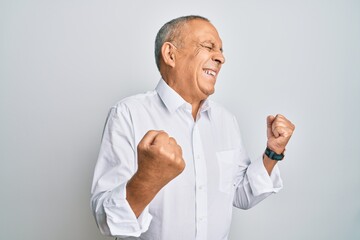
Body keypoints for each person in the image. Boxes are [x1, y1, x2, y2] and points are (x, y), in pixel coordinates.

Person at [90, 15, 295, 240]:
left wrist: (272, 153)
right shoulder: (128, 114)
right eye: (208, 47)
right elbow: (108, 221)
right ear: (170, 54)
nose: (221, 58)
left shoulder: (226, 120)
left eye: (221, 50)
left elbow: (240, 194)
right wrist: (147, 178)